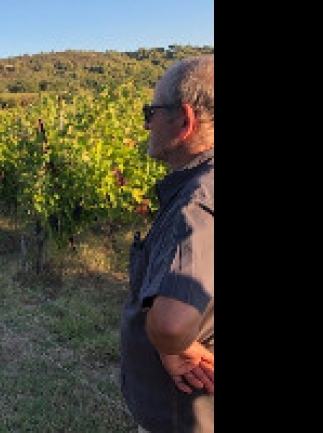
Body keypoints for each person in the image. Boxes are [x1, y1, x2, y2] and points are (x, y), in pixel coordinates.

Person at [119, 54, 214, 433]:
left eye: (151, 112)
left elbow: (172, 324)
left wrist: (176, 347)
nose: (146, 124)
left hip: (184, 415)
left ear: (184, 121)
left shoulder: (196, 203)